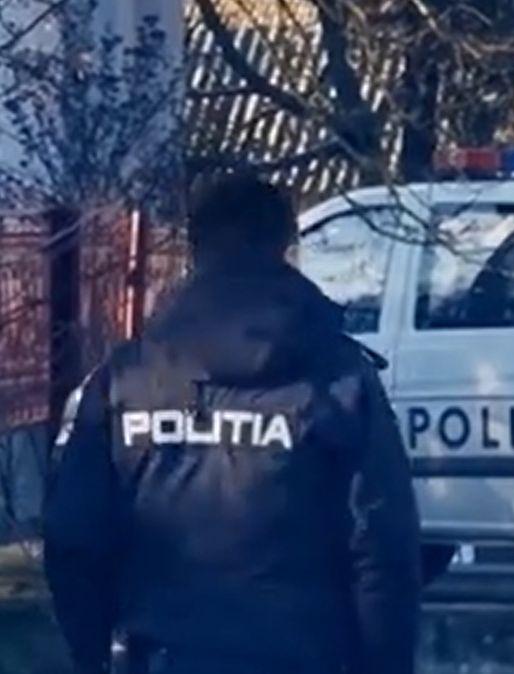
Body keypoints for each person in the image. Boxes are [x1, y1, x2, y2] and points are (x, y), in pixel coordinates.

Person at [43, 175, 420, 674]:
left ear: (193, 248)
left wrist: (93, 656)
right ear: (287, 247)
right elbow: (382, 548)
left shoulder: (126, 380)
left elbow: (74, 540)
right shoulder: (339, 379)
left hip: (161, 657)